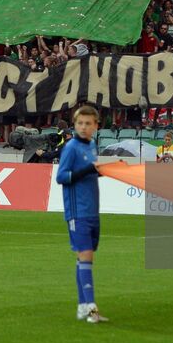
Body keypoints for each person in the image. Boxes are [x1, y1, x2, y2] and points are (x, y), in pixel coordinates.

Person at [56, 104, 111, 324]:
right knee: (85, 255)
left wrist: (98, 173)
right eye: (80, 123)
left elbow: (86, 174)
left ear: (96, 126)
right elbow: (61, 177)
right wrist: (86, 171)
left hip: (91, 209)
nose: (83, 127)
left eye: (88, 123)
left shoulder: (92, 146)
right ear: (74, 124)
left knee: (85, 258)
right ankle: (91, 309)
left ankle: (81, 306)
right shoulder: (70, 147)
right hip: (77, 211)